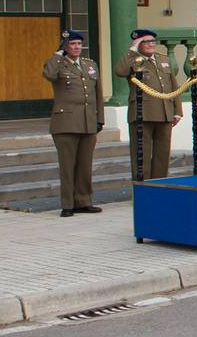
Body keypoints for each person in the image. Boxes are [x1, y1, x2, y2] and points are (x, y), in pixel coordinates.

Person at [43, 30, 104, 216]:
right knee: (68, 165)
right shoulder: (57, 64)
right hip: (66, 122)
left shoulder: (89, 64)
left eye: (79, 44)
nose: (76, 47)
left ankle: (83, 201)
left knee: (85, 164)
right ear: (64, 46)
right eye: (72, 44)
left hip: (88, 121)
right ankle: (68, 204)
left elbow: (97, 94)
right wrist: (57, 54)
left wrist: (99, 119)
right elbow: (48, 74)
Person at [115, 29, 180, 180]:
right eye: (146, 42)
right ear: (138, 44)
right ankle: (143, 188)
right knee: (141, 156)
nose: (151, 44)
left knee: (162, 155)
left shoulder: (163, 59)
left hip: (164, 112)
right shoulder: (133, 60)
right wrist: (132, 50)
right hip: (143, 113)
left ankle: (159, 187)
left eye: (153, 41)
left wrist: (177, 111)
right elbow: (120, 71)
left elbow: (173, 85)